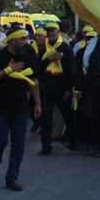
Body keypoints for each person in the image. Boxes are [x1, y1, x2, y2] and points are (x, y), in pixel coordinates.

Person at [0, 29, 42, 191]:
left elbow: (33, 81)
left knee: (18, 145)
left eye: (26, 38)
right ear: (12, 40)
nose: (26, 41)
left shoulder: (28, 57)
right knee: (0, 141)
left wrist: (37, 103)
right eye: (22, 38)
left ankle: (11, 178)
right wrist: (7, 71)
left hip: (20, 109)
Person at [37, 21, 75, 156]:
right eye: (49, 33)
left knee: (68, 116)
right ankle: (46, 146)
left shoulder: (66, 48)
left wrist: (68, 89)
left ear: (58, 33)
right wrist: (49, 59)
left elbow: (71, 71)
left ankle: (73, 141)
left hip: (62, 89)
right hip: (47, 89)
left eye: (53, 33)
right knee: (46, 119)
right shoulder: (43, 50)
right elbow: (38, 68)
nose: (51, 36)